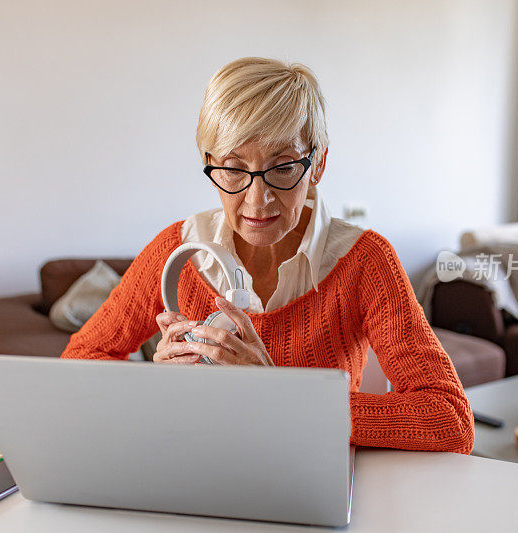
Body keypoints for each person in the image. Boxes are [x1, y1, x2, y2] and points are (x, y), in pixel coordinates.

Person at [61, 57, 474, 453]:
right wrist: (158, 387)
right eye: (234, 168)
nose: (258, 200)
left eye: (282, 167)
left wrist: (280, 397)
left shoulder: (364, 261)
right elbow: (77, 363)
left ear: (318, 165)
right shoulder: (178, 251)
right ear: (209, 165)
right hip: (196, 465)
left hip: (309, 480)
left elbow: (451, 420)